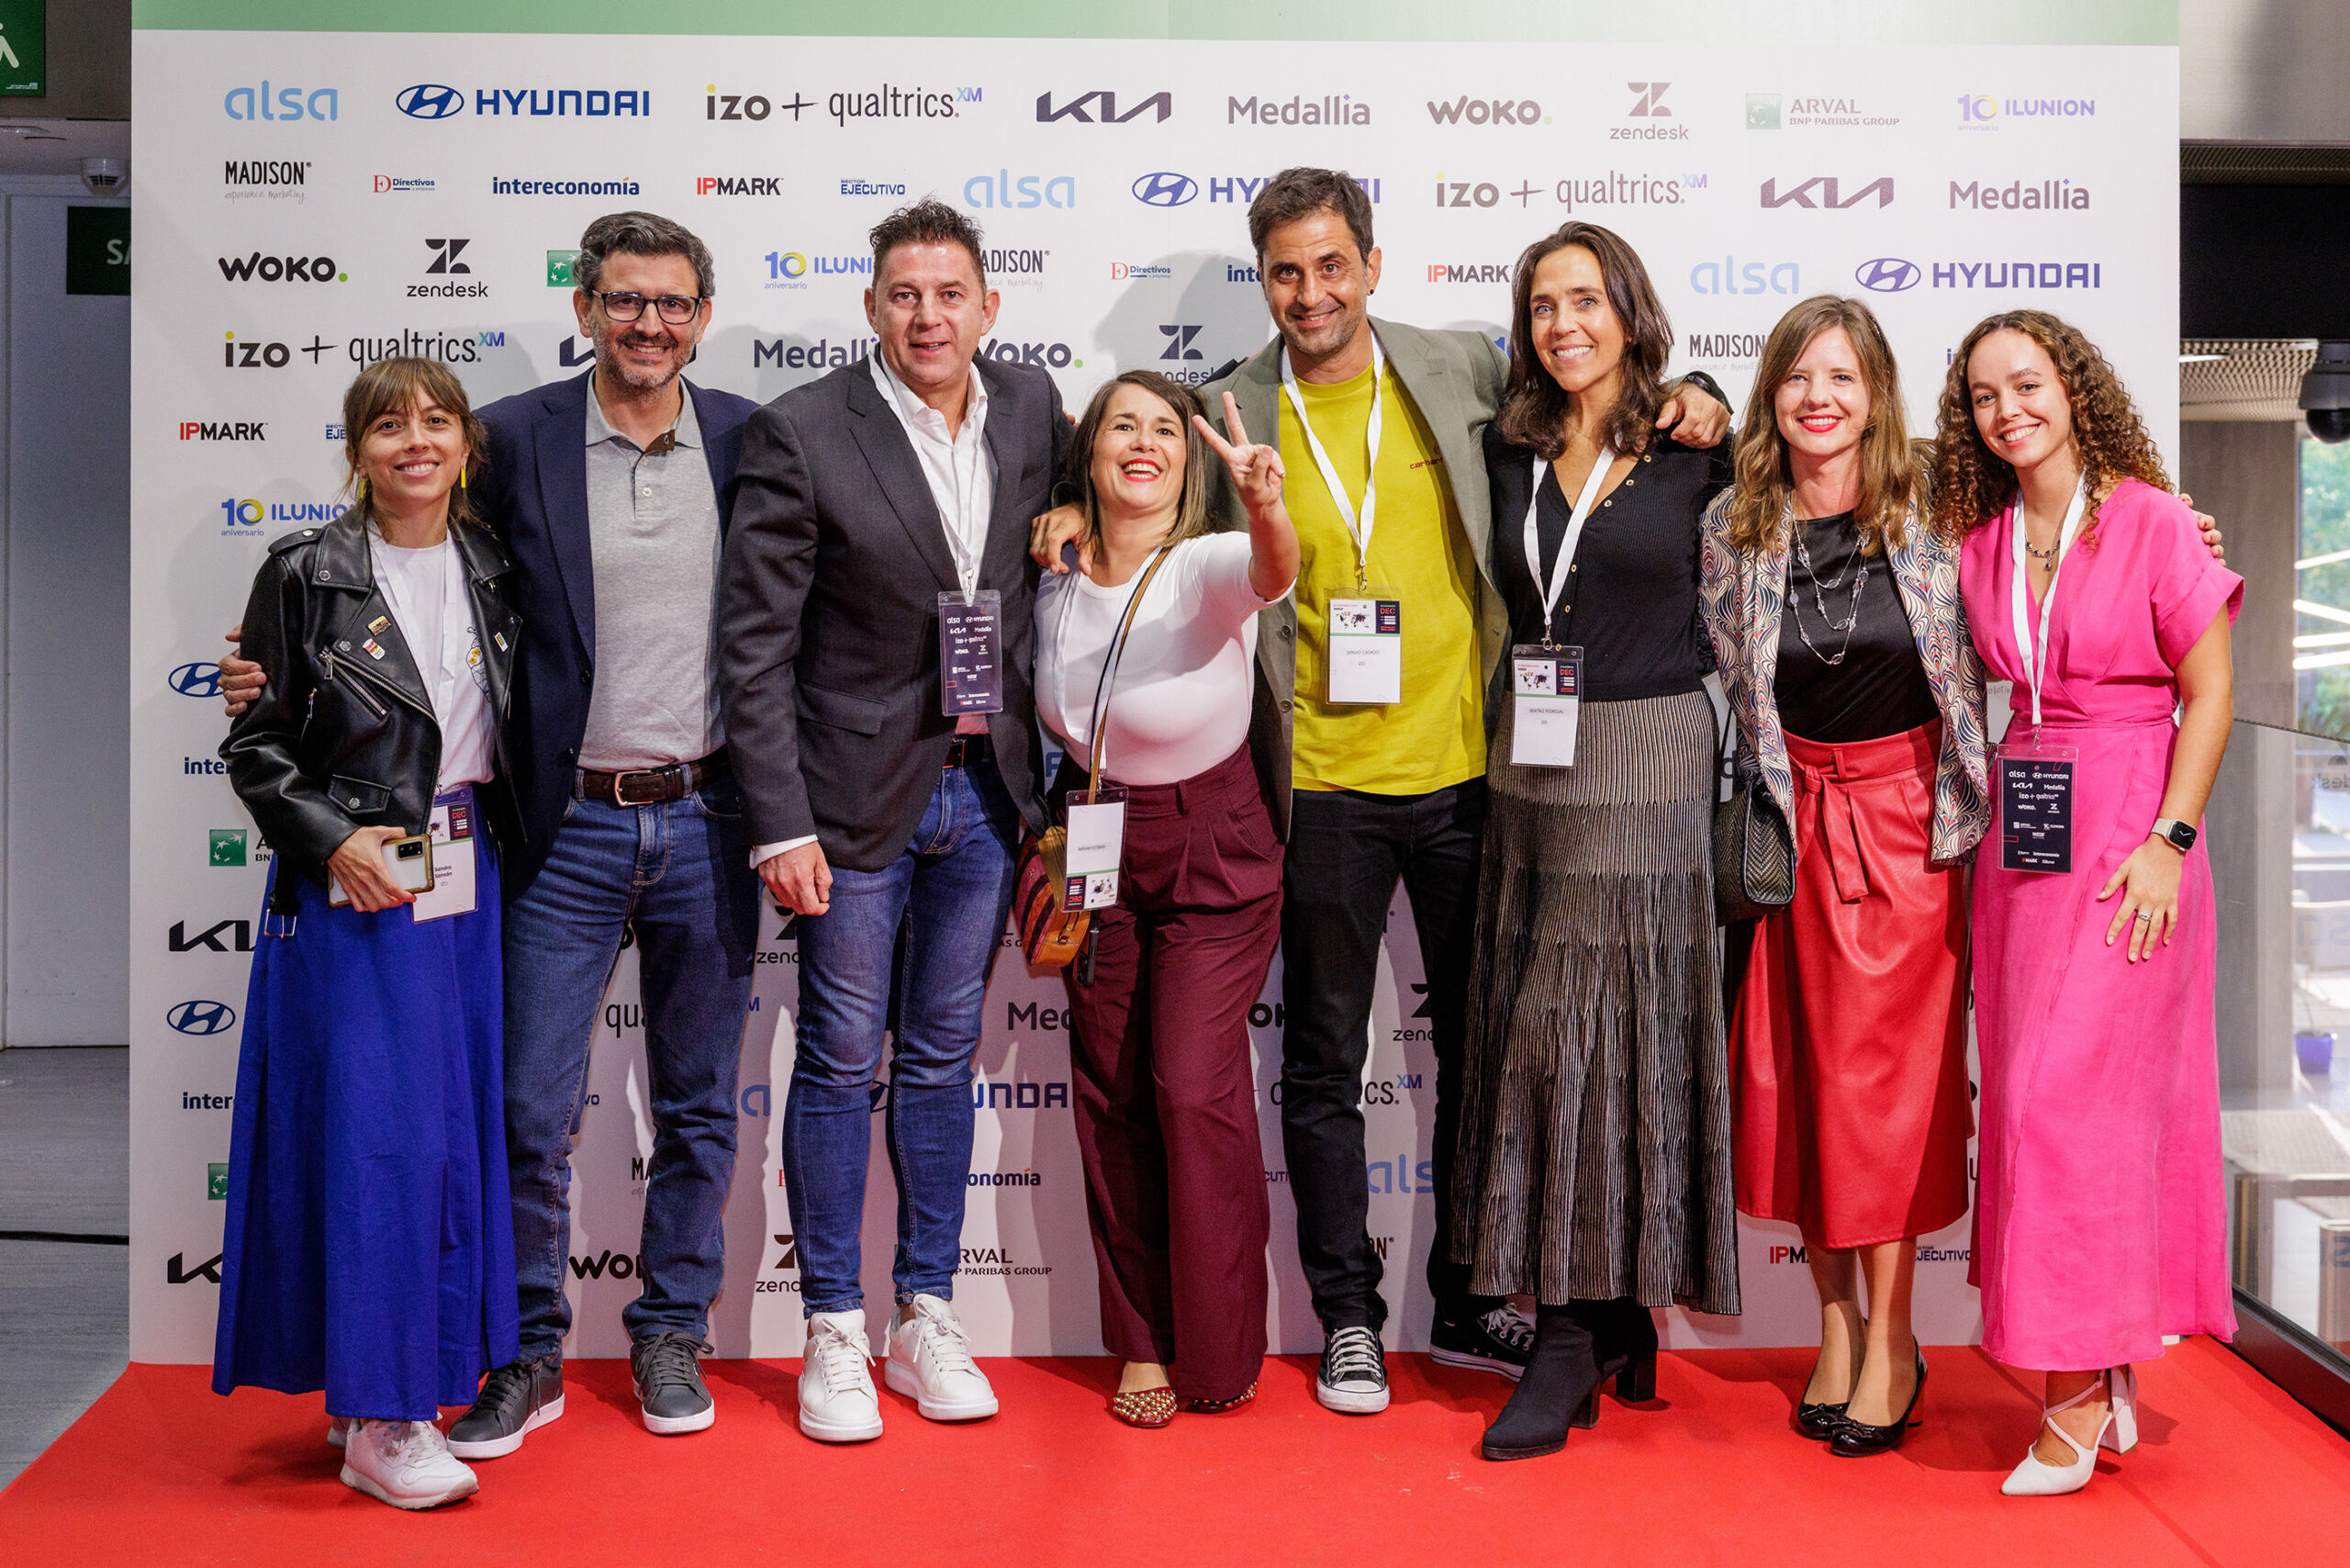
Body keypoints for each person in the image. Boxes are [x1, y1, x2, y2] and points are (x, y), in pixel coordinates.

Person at [1032, 167, 1727, 1414]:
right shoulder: (1227, 406)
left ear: (1371, 265)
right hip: (1315, 791)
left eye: (1331, 265)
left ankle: (1466, 1297)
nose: (1312, 292)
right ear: (1264, 281)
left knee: (1482, 1051)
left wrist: (1701, 391)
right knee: (1321, 1063)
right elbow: (1141, 509)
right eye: (1286, 272)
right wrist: (1066, 510)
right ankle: (1348, 1314)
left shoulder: (1459, 367)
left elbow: (1593, 399)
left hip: (1474, 776)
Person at [221, 211, 764, 1450]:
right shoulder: (513, 436)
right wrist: (266, 668)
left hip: (711, 815)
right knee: (523, 1113)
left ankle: (670, 1332)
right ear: (585, 309)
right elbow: (396, 574)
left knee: (697, 1106)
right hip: (557, 829)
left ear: (701, 315)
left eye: (672, 303)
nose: (648, 324)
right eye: (624, 300)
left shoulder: (749, 435)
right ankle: (524, 1348)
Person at [718, 198, 1068, 1443]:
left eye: (949, 294)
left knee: (939, 1058)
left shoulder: (1030, 406)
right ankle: (831, 1324)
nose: (929, 317)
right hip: (849, 807)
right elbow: (754, 648)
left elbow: (1093, 507)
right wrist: (779, 823)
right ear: (870, 306)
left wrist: (1075, 518)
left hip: (988, 794)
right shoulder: (804, 430)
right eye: (904, 295)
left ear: (988, 306)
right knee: (835, 1059)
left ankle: (925, 1309)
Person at [1936, 310, 2240, 1496]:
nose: (2007, 410)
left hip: (2132, 837)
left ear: (2073, 388)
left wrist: (2170, 839)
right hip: (2024, 846)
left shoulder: (2154, 520)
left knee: (2067, 1111)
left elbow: (2210, 692)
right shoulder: (1978, 542)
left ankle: (2068, 1398)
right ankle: (2105, 1365)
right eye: (1983, 397)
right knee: (2033, 1105)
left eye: (2026, 384)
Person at [1450, 221, 1739, 1462]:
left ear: (1630, 310)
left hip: (1648, 754)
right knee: (1556, 1036)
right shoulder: (1506, 444)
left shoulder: (1698, 446)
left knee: (1594, 1032)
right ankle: (1618, 1312)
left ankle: (1567, 1332)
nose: (1563, 324)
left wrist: (1714, 395)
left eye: (1585, 300)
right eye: (1542, 305)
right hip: (1531, 759)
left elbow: (1855, 479)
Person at [213, 357, 522, 1509]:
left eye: (437, 421)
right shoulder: (305, 571)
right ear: (356, 452)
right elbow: (257, 744)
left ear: (466, 445)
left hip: (467, 877)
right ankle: (387, 1418)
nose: (415, 441)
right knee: (379, 1145)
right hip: (361, 883)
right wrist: (333, 839)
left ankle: (391, 1389)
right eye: (388, 425)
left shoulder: (497, 564)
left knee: (444, 1142)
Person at [1699, 297, 1983, 1457]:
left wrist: (2178, 529)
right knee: (1794, 1084)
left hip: (1909, 828)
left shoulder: (1941, 503)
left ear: (1876, 395)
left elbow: (2066, 526)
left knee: (1885, 1101)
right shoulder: (1732, 524)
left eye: (1841, 378)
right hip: (1790, 829)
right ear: (1770, 395)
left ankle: (1895, 1339)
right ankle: (1833, 1325)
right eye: (1797, 378)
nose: (1818, 398)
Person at [1034, 373, 1298, 1426]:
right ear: (1089, 450)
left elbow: (1272, 568)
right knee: (1108, 1091)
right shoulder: (1048, 567)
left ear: (1189, 464)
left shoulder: (1204, 565)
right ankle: (1140, 1341)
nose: (1142, 444)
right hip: (1095, 837)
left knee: (1190, 1088)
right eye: (1122, 426)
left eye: (1163, 432)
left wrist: (1266, 505)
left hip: (1212, 843)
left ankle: (1220, 1345)